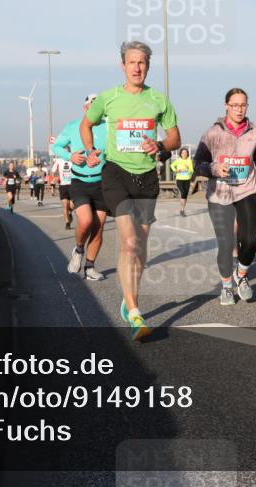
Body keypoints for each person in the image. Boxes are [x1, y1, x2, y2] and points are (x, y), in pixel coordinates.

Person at [80, 41, 180, 341]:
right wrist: (91, 150)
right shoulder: (108, 98)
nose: (137, 67)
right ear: (123, 65)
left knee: (141, 245)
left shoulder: (159, 100)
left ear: (148, 66)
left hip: (147, 177)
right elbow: (86, 124)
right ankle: (135, 313)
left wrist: (159, 144)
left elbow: (175, 137)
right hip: (116, 173)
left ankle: (129, 298)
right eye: (132, 62)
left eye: (142, 62)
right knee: (129, 240)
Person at [194, 88, 256, 305]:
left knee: (250, 240)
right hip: (220, 193)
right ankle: (226, 286)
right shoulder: (212, 133)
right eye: (234, 105)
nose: (239, 109)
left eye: (243, 105)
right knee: (226, 243)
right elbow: (198, 164)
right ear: (226, 106)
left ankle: (241, 274)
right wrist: (215, 169)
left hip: (246, 188)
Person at [52, 94, 109, 280]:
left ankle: (90, 268)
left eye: (98, 106)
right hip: (79, 182)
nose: (95, 110)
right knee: (85, 222)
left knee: (98, 228)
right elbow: (57, 147)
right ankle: (78, 250)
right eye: (91, 106)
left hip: (102, 182)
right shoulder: (72, 126)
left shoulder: (108, 126)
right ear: (85, 108)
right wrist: (70, 156)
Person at [51, 153, 75, 229]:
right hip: (63, 185)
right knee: (65, 206)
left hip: (72, 185)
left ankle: (70, 212)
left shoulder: (73, 159)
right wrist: (56, 178)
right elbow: (53, 171)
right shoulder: (58, 160)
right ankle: (67, 223)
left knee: (72, 205)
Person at [169, 148, 195, 217]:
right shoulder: (178, 160)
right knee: (183, 193)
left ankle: (182, 210)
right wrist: (176, 170)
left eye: (186, 153)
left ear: (187, 154)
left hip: (187, 179)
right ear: (180, 154)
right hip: (179, 179)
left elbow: (192, 170)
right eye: (183, 153)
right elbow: (171, 165)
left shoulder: (189, 161)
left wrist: (188, 168)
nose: (184, 154)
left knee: (185, 195)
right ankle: (182, 209)